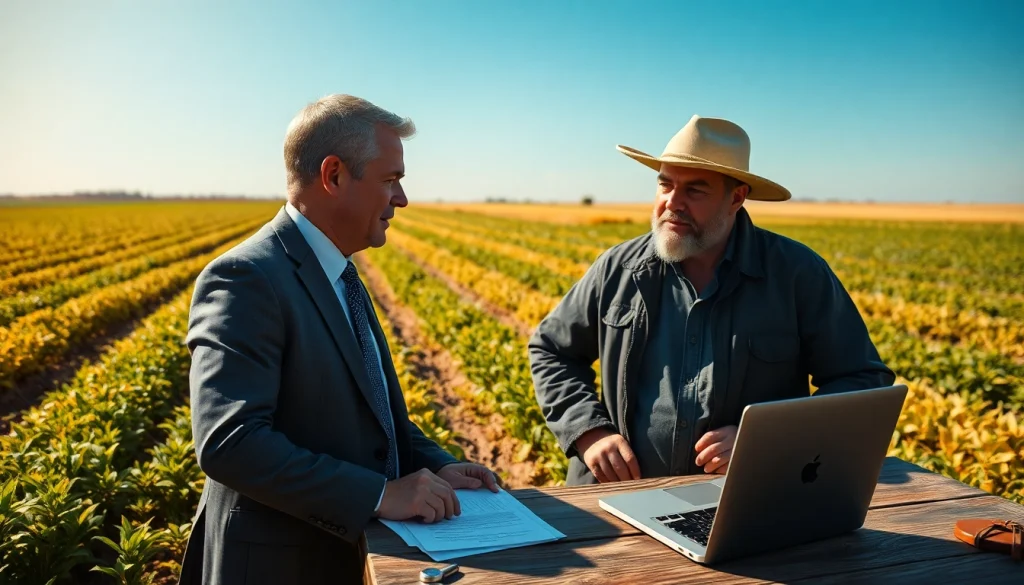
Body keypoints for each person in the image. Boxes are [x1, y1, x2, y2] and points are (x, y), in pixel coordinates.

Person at [178, 94, 498, 585]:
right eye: (391, 180)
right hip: (276, 567)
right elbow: (230, 441)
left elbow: (378, 421)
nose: (402, 199)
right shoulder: (246, 277)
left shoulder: (342, 275)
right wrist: (378, 494)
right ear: (333, 176)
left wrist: (438, 467)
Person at [528, 115, 895, 486]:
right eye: (665, 185)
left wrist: (768, 439)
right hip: (613, 496)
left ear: (735, 197)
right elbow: (550, 350)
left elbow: (862, 380)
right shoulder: (617, 268)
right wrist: (589, 432)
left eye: (695, 190)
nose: (673, 202)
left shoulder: (797, 273)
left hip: (741, 500)